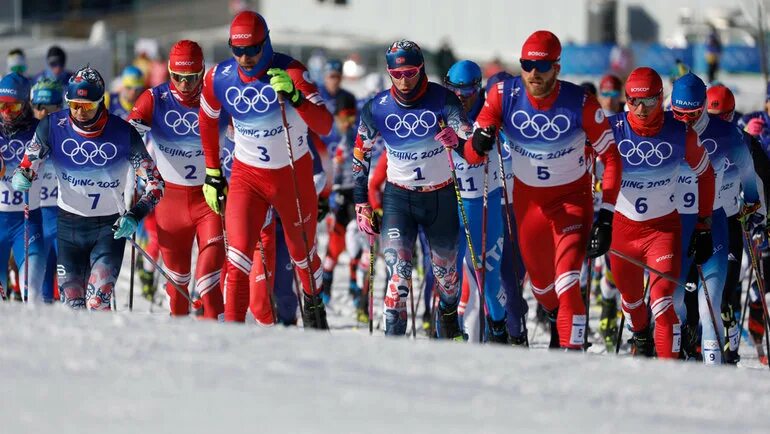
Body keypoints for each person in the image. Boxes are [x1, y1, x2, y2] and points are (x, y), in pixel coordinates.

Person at [473, 30, 622, 350]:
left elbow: (611, 158)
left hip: (571, 202)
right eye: (526, 65)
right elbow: (474, 150)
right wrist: (479, 140)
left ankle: (571, 354)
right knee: (544, 290)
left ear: (557, 67)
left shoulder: (581, 103)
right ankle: (559, 323)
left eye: (541, 66)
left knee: (569, 281)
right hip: (529, 209)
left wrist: (607, 217)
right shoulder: (503, 94)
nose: (533, 73)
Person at [198, 10, 333, 327]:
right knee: (238, 259)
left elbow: (325, 125)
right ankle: (232, 333)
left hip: (291, 175)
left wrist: (296, 97)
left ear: (266, 43)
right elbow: (206, 119)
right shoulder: (219, 77)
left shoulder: (291, 71)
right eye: (238, 50)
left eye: (252, 50)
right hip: (248, 177)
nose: (245, 58)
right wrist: (213, 171)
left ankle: (315, 316)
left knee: (302, 255)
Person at [13, 65, 164, 310]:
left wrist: (135, 216)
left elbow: (156, 184)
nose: (80, 113)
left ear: (101, 102)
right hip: (69, 228)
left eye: (88, 106)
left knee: (97, 303)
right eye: (74, 105)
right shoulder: (51, 126)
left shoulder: (123, 133)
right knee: (73, 306)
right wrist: (24, 174)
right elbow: (28, 163)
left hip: (108, 230)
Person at [353, 39, 475, 339]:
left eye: (411, 72)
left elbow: (474, 149)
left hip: (441, 196)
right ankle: (392, 351)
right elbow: (360, 155)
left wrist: (457, 142)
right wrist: (362, 203)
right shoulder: (376, 108)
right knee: (398, 279)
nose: (404, 80)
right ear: (388, 72)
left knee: (447, 282)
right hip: (399, 199)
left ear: (421, 69)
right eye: (398, 74)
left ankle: (447, 325)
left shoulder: (445, 100)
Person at [608, 67, 715, 358]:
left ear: (661, 98)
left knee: (664, 303)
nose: (641, 109)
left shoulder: (681, 133)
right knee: (631, 302)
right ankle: (641, 338)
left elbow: (706, 175)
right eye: (633, 101)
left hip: (662, 231)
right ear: (626, 99)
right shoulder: (611, 129)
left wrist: (704, 224)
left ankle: (669, 375)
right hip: (622, 230)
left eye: (650, 102)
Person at [127, 40, 225, 319]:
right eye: (177, 77)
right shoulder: (154, 98)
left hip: (209, 201)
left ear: (202, 72)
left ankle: (221, 348)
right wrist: (136, 174)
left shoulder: (216, 97)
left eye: (191, 78)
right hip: (170, 204)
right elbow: (125, 139)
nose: (184, 85)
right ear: (168, 72)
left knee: (208, 280)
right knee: (177, 289)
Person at [443, 59, 507, 343]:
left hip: (485, 203)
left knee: (490, 284)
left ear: (478, 88)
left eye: (467, 91)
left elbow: (512, 151)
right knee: (447, 281)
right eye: (455, 90)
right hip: (451, 203)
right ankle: (446, 335)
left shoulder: (491, 113)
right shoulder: (441, 111)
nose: (461, 97)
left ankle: (500, 335)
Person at [705, 84, 767, 364]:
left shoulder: (744, 141)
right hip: (696, 220)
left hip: (730, 220)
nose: (719, 125)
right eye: (712, 118)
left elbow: (764, 181)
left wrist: (760, 217)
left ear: (733, 115)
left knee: (727, 289)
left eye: (725, 118)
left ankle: (728, 349)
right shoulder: (690, 138)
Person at [0, 73, 46, 302]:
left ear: (26, 104)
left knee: (33, 294)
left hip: (27, 222)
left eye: (14, 106)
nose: (6, 113)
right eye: (1, 106)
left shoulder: (41, 130)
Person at [30, 78, 65, 302]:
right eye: (37, 107)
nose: (42, 112)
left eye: (48, 107)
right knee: (41, 290)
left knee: (70, 287)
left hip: (66, 218)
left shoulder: (70, 134)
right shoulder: (26, 137)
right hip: (37, 218)